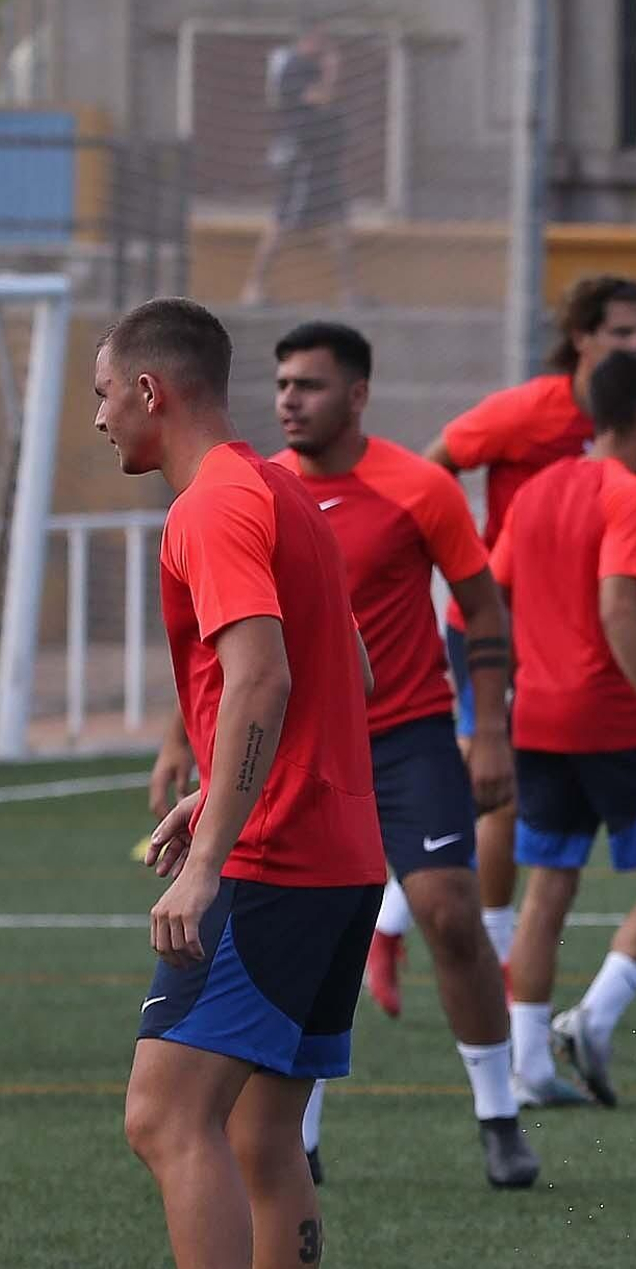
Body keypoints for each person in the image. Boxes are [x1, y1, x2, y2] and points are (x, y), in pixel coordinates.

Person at [87, 297, 385, 1269]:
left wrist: (214, 850)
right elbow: (342, 667)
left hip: (270, 867)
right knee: (263, 1128)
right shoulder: (280, 493)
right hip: (339, 857)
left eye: (104, 393)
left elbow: (260, 673)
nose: (100, 416)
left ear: (153, 391)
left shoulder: (210, 502)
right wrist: (213, 787)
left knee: (166, 1114)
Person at [150, 322, 538, 1188]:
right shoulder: (266, 488)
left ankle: (498, 1112)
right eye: (282, 383)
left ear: (357, 395)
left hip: (408, 738)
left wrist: (493, 730)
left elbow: (482, 609)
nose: (291, 399)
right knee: (306, 920)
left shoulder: (418, 487)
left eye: (311, 385)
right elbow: (228, 654)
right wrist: (187, 743)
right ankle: (302, 1142)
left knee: (447, 913)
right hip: (299, 749)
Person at [387, 275, 636, 1017]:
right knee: (495, 784)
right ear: (580, 336)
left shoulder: (632, 430)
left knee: (510, 794)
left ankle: (462, 945)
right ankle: (458, 943)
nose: (634, 346)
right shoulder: (530, 410)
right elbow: (427, 465)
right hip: (494, 624)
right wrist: (452, 553)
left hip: (554, 635)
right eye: (621, 332)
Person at [493, 349, 636, 1110]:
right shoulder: (631, 495)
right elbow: (618, 608)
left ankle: (527, 1067)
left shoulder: (539, 490)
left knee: (548, 884)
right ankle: (594, 1017)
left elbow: (495, 593)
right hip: (609, 718)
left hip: (536, 713)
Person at [240, 28, 358, 310]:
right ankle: (253, 288)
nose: (324, 47)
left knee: (337, 225)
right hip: (305, 161)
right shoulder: (293, 68)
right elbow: (320, 98)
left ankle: (349, 292)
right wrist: (331, 71)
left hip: (325, 161)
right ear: (307, 39)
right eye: (319, 40)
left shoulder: (309, 66)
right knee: (281, 223)